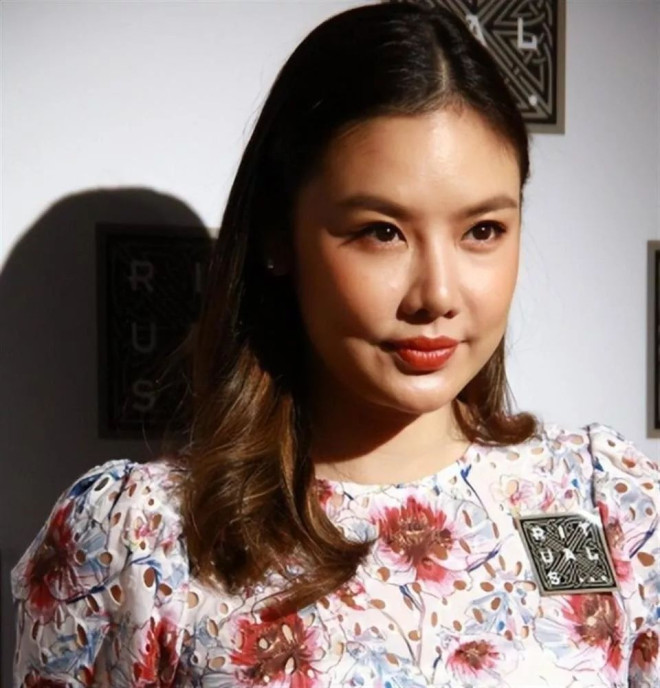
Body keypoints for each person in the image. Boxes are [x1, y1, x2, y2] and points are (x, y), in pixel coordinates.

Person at [11, 3, 659, 687]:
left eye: (482, 231)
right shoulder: (145, 541)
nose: (438, 294)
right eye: (382, 232)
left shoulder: (600, 505)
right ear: (278, 235)